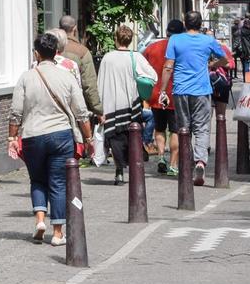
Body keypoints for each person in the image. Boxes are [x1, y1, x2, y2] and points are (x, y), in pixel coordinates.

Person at [9, 32, 92, 246]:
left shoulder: (26, 78)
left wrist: (12, 136)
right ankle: (57, 233)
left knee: (37, 179)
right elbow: (81, 112)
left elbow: (15, 112)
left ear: (36, 53)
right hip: (61, 136)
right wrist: (89, 138)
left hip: (32, 137)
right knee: (58, 182)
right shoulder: (67, 76)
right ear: (56, 53)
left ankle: (39, 221)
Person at [158, 12, 230, 187]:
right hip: (201, 90)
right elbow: (225, 59)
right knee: (202, 128)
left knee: (184, 129)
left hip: (180, 90)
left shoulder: (175, 40)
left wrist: (162, 91)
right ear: (200, 24)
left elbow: (168, 67)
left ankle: (186, 164)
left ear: (185, 23)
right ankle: (200, 162)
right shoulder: (208, 40)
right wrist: (212, 65)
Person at [97, 24, 157, 185]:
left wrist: (99, 108)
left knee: (115, 140)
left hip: (111, 105)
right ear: (130, 40)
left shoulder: (107, 58)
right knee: (131, 138)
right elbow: (153, 76)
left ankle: (119, 171)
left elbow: (100, 83)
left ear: (115, 39)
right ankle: (134, 171)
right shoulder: (136, 57)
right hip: (131, 105)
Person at [59, 15, 106, 152]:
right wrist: (98, 110)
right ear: (75, 29)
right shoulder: (82, 51)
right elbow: (89, 85)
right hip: (75, 105)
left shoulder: (50, 49)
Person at [143, 20, 184, 176]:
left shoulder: (152, 47)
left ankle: (161, 157)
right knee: (175, 130)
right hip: (175, 93)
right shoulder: (180, 48)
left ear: (166, 32)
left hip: (157, 93)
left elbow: (143, 67)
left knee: (159, 128)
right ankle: (173, 164)